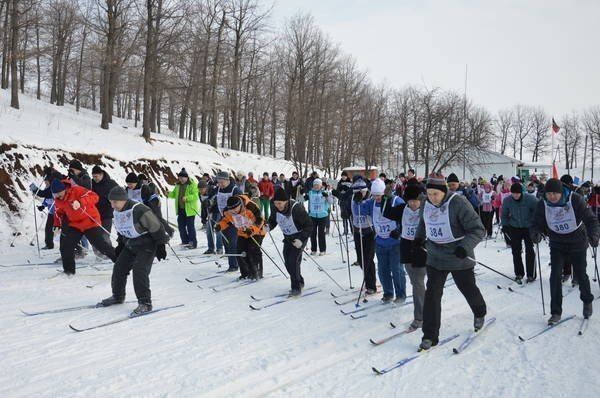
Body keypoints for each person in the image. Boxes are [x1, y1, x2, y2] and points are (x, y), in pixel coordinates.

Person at [415, 172, 487, 351]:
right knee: (432, 294)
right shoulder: (426, 203)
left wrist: (464, 246)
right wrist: (418, 239)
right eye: (429, 194)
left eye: (436, 194)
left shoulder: (458, 203)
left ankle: (479, 312)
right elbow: (424, 224)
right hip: (435, 256)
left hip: (458, 256)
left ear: (444, 191)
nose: (432, 198)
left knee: (467, 288)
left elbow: (478, 229)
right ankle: (430, 335)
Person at [530, 178, 598, 325]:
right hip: (557, 244)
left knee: (581, 275)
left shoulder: (575, 200)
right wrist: (535, 232)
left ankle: (587, 301)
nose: (552, 197)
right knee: (555, 276)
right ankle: (555, 312)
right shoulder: (543, 204)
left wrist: (594, 235)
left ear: (561, 192)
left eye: (555, 193)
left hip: (577, 242)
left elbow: (591, 220)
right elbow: (537, 222)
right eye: (549, 194)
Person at [100, 187, 169, 315]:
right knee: (119, 268)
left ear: (123, 200)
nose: (112, 205)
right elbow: (122, 228)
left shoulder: (139, 210)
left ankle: (145, 303)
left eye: (115, 202)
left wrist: (161, 245)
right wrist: (120, 244)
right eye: (111, 202)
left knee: (139, 271)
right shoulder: (117, 211)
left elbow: (156, 226)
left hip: (147, 244)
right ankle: (118, 296)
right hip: (130, 243)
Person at [51, 178, 116, 275]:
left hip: (90, 222)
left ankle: (120, 260)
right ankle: (69, 272)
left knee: (101, 246)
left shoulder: (76, 190)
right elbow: (58, 213)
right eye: (55, 195)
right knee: (66, 246)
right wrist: (57, 225)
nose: (58, 196)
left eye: (59, 193)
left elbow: (94, 197)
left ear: (63, 189)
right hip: (75, 224)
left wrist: (80, 201)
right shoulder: (58, 200)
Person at [269, 187, 313, 296]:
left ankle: (296, 288)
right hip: (288, 237)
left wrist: (301, 239)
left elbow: (309, 225)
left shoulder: (296, 208)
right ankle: (299, 280)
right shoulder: (275, 208)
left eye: (280, 203)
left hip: (299, 236)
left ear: (286, 201)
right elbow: (273, 220)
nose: (278, 206)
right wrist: (268, 226)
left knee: (293, 261)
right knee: (288, 262)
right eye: (276, 203)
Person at [370, 178, 406, 303]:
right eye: (374, 195)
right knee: (383, 270)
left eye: (379, 195)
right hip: (380, 242)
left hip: (395, 242)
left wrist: (399, 230)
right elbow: (359, 208)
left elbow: (407, 216)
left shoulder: (396, 201)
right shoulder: (372, 203)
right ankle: (388, 293)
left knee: (396, 269)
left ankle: (400, 294)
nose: (376, 198)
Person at [215, 195, 265, 280]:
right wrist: (220, 226)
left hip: (257, 232)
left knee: (252, 250)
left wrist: (251, 230)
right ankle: (245, 273)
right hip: (242, 233)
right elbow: (226, 220)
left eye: (235, 209)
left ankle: (256, 273)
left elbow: (259, 220)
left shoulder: (250, 206)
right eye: (231, 210)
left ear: (240, 205)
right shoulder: (228, 211)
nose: (234, 211)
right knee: (240, 252)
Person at [501, 182, 538, 283]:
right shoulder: (507, 200)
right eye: (513, 193)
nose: (515, 195)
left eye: (518, 193)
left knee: (530, 250)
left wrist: (537, 225)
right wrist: (505, 225)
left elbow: (537, 211)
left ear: (521, 192)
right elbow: (504, 214)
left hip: (528, 227)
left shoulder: (530, 199)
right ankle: (519, 273)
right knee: (516, 251)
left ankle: (531, 274)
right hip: (514, 227)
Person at [351, 177, 377, 294]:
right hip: (357, 231)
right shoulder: (352, 198)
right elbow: (349, 208)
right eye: (357, 191)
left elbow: (366, 211)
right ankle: (368, 280)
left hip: (369, 232)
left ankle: (371, 285)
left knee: (368, 259)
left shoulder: (371, 200)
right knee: (361, 259)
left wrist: (360, 203)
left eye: (362, 191)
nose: (360, 193)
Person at [214, 171, 243, 271]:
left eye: (222, 182)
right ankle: (233, 260)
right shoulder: (219, 189)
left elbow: (241, 203)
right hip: (224, 218)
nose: (220, 184)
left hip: (235, 219)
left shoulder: (235, 189)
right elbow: (216, 201)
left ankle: (234, 265)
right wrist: (211, 207)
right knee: (225, 241)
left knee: (232, 242)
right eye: (219, 182)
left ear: (227, 180)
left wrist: (229, 208)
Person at [91, 166, 119, 258]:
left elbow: (119, 194)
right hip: (95, 214)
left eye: (96, 176)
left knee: (104, 235)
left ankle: (110, 253)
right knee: (95, 236)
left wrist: (110, 201)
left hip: (106, 214)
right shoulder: (92, 184)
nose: (95, 178)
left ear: (101, 174)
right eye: (93, 176)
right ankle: (99, 255)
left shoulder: (110, 183)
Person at [167, 168, 199, 249]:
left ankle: (193, 243)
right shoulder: (178, 185)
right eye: (179, 178)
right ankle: (185, 241)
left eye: (182, 178)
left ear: (186, 177)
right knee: (181, 226)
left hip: (190, 210)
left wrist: (187, 198)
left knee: (190, 227)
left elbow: (196, 196)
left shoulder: (192, 184)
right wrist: (168, 194)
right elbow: (174, 194)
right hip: (180, 209)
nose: (180, 179)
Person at [305, 178, 330, 255]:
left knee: (321, 233)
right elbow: (302, 199)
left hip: (323, 215)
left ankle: (322, 250)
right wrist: (302, 197)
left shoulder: (324, 192)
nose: (316, 186)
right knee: (313, 233)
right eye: (315, 185)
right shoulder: (310, 193)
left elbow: (332, 201)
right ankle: (314, 249)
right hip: (312, 215)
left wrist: (327, 197)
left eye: (318, 185)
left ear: (321, 185)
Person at [333, 171, 353, 235]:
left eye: (344, 176)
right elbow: (337, 191)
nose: (343, 177)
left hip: (349, 201)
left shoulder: (350, 182)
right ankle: (345, 230)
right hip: (342, 201)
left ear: (347, 176)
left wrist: (347, 189)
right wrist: (337, 192)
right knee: (344, 216)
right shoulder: (339, 183)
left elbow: (352, 191)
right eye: (342, 176)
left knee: (350, 217)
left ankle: (353, 230)